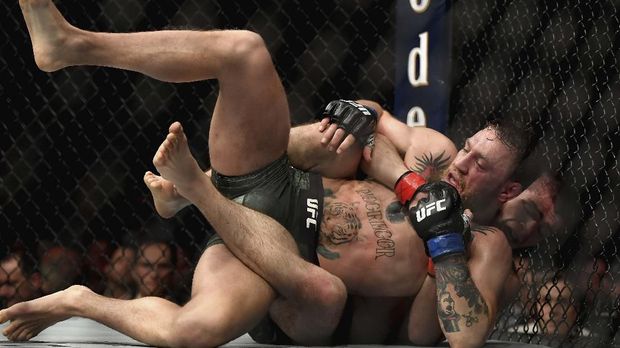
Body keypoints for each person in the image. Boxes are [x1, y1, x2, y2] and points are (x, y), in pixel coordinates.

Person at [1, 1, 537, 347]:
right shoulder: (437, 158)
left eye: (479, 164)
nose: (463, 163)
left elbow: (460, 339)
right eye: (469, 148)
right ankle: (74, 44)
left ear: (507, 188)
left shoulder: (485, 242)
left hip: (283, 268)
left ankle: (85, 294)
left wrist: (443, 240)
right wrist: (411, 184)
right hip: (275, 184)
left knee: (199, 330)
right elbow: (371, 122)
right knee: (246, 51)